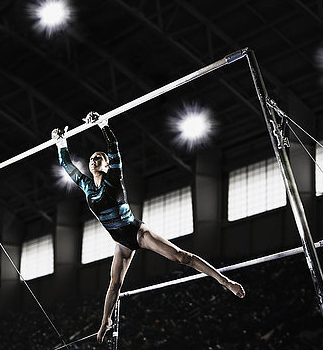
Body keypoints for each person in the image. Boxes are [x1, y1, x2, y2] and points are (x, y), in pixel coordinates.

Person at [51, 112, 245, 344]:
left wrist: (103, 124)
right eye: (92, 158)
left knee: (182, 257)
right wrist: (60, 141)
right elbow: (66, 163)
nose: (94, 161)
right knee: (114, 284)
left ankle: (225, 281)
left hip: (137, 232)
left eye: (99, 158)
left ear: (107, 164)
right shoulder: (85, 185)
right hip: (121, 242)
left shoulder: (114, 176)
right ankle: (105, 321)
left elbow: (113, 147)